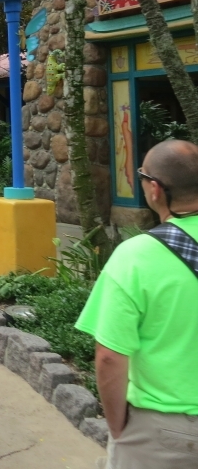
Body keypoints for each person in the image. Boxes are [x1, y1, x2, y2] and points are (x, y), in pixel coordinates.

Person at [75, 139, 198, 468]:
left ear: (155, 189)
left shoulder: (136, 256)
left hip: (167, 431)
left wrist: (117, 428)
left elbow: (110, 357)